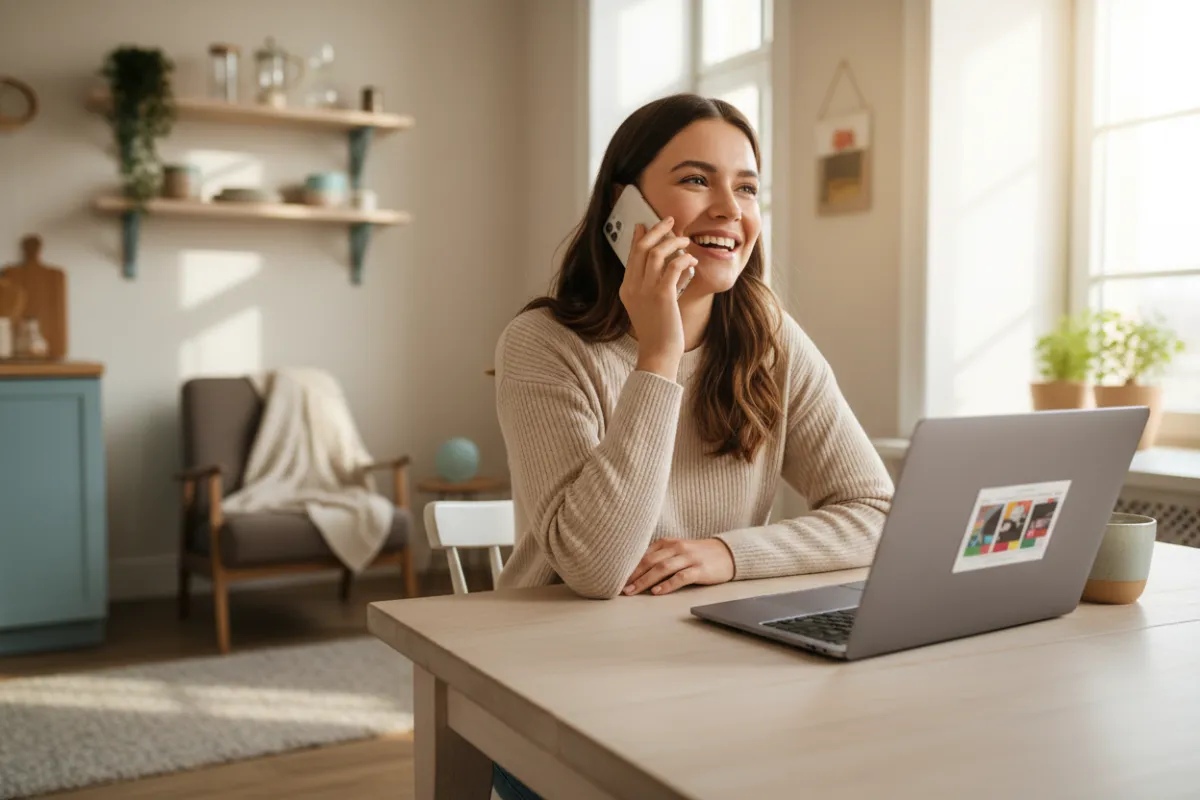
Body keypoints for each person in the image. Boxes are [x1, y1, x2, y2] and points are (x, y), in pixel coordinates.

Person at [488, 94, 894, 797]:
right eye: (696, 180)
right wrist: (660, 352)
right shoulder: (543, 346)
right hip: (555, 692)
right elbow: (596, 568)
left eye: (746, 187)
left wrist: (727, 554)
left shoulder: (770, 337)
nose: (729, 210)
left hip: (715, 670)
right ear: (625, 206)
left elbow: (876, 510)